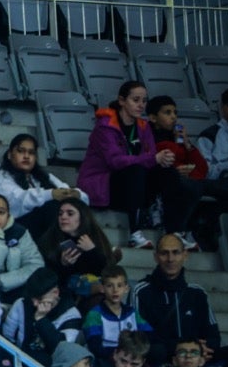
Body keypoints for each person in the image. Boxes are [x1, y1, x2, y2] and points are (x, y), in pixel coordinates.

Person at [79, 80, 198, 250]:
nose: (141, 105)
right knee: (136, 170)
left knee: (168, 172)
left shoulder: (143, 126)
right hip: (103, 185)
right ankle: (135, 235)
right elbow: (116, 161)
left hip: (133, 185)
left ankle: (175, 232)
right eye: (136, 100)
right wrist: (153, 159)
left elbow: (149, 157)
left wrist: (162, 160)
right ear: (122, 101)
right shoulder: (105, 127)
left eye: (144, 101)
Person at [133, 233, 228, 367]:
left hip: (195, 358)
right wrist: (182, 348)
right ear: (156, 257)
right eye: (164, 253)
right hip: (164, 358)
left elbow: (213, 336)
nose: (170, 259)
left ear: (185, 255)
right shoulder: (141, 291)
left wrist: (198, 350)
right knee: (154, 351)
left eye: (176, 252)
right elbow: (142, 339)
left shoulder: (197, 293)